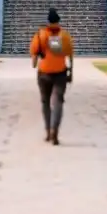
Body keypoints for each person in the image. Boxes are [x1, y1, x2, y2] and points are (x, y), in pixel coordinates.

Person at [29, 8, 74, 146]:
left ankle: (48, 131)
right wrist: (71, 72)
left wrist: (36, 63)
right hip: (60, 73)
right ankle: (55, 130)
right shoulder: (65, 36)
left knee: (45, 102)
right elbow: (70, 56)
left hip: (44, 73)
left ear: (48, 21)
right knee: (58, 102)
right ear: (58, 21)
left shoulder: (40, 35)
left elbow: (34, 59)